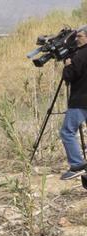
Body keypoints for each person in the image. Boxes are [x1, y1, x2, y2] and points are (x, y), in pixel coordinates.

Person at [60, 27, 87, 180]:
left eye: (80, 36)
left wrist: (68, 64)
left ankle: (77, 165)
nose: (77, 39)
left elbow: (69, 77)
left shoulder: (80, 56)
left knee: (67, 132)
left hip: (80, 101)